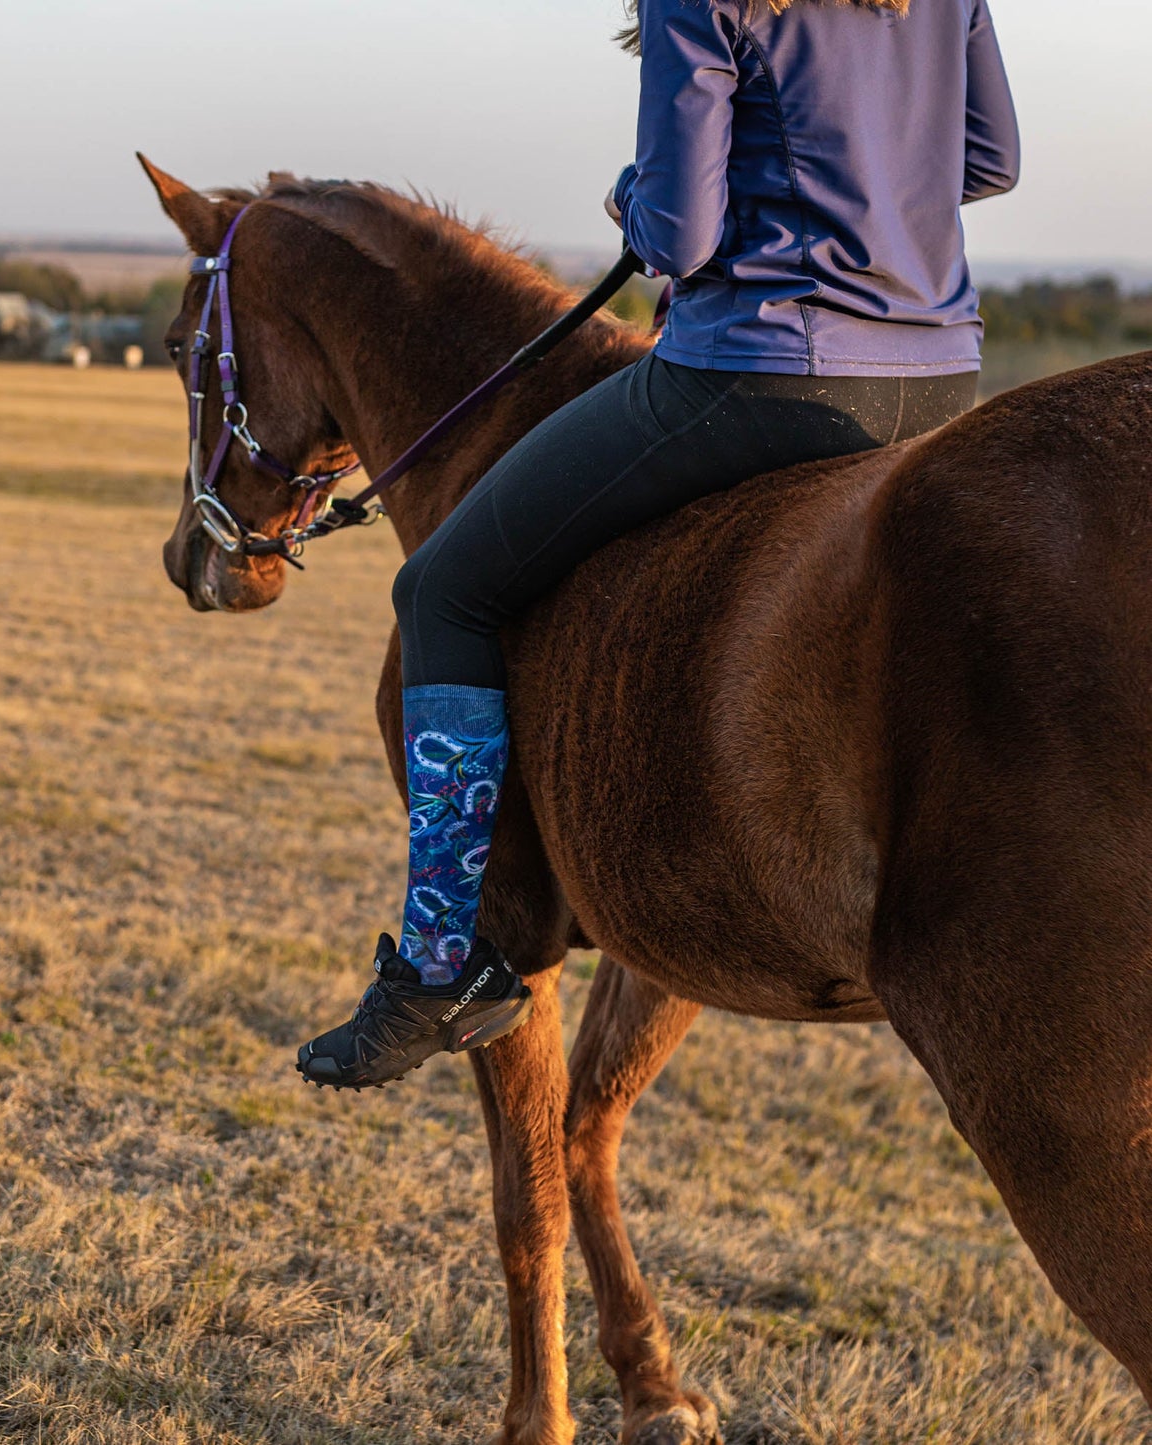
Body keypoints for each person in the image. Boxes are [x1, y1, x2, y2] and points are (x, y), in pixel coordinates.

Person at [297, 0, 1019, 1090]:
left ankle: (447, 960)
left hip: (759, 369)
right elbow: (987, 160)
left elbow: (676, 234)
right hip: (934, 371)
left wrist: (631, 198)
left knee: (443, 588)